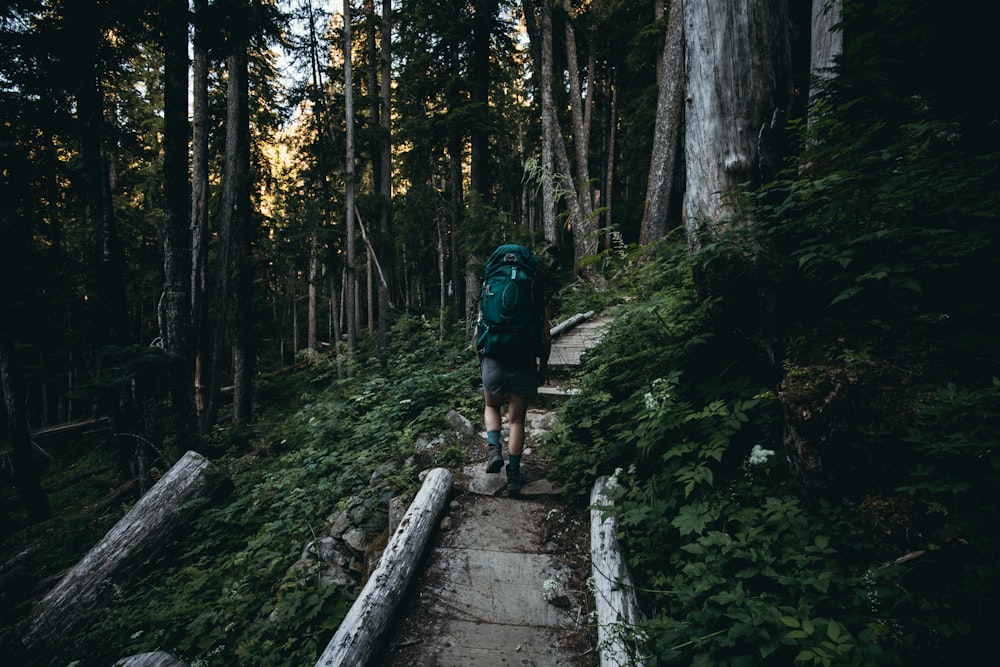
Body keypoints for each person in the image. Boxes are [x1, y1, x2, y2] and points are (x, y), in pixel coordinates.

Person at [474, 244, 552, 495]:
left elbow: (478, 333)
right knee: (517, 420)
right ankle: (515, 475)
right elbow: (546, 335)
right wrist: (543, 366)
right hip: (524, 358)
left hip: (494, 357)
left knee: (491, 405)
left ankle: (494, 450)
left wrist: (481, 361)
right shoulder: (534, 290)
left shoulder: (490, 290)